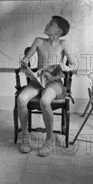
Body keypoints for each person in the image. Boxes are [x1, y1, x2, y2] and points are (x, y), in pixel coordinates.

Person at [17, 15, 74, 157]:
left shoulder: (63, 44)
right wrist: (24, 62)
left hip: (54, 82)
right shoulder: (38, 41)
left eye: (51, 24)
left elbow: (74, 64)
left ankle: (49, 140)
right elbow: (27, 58)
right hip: (38, 81)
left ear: (58, 32)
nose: (47, 24)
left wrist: (62, 68)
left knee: (44, 101)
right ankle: (25, 135)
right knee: (21, 99)